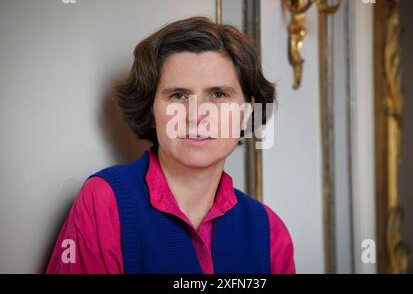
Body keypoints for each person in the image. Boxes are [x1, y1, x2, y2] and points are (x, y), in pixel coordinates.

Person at [46, 16, 295, 274]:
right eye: (178, 95)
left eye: (218, 95)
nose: (196, 115)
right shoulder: (105, 201)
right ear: (151, 110)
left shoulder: (269, 231)